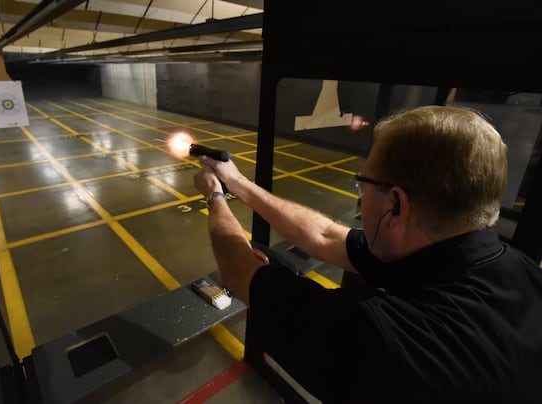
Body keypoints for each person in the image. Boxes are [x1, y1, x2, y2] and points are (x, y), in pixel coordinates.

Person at [193, 105, 542, 403]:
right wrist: (236, 182)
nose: (360, 198)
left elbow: (240, 273)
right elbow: (324, 235)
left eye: (364, 185)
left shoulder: (379, 336)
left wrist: (214, 195)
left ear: (398, 204)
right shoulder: (520, 269)